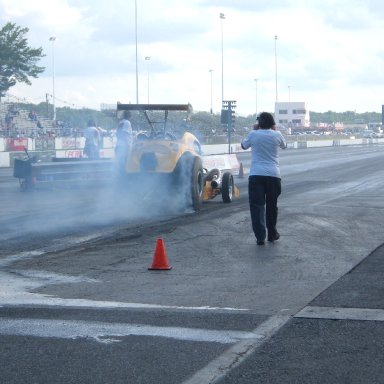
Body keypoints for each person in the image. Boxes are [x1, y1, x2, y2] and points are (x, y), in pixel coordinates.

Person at [241, 112, 287, 245]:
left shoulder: (253, 134)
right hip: (273, 175)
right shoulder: (277, 134)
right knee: (272, 206)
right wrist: (274, 130)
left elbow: (244, 145)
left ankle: (260, 237)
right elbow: (284, 146)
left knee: (257, 207)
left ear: (259, 123)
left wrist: (254, 130)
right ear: (272, 123)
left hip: (256, 175)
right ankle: (272, 234)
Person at [115, 110, 133, 175]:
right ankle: (125, 179)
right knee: (126, 165)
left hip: (118, 145)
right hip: (124, 146)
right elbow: (125, 134)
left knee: (120, 165)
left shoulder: (120, 122)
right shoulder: (127, 122)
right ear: (129, 116)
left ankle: (120, 178)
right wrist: (128, 145)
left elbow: (117, 134)